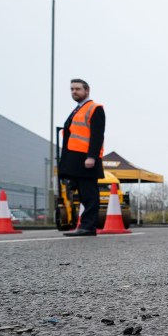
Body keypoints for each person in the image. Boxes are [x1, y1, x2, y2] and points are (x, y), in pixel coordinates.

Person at [59, 78, 106, 236]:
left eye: (77, 89)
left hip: (86, 159)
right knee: (84, 195)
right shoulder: (77, 109)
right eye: (72, 89)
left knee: (89, 194)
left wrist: (92, 156)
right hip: (75, 160)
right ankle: (86, 225)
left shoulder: (94, 108)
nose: (74, 92)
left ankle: (89, 226)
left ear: (87, 90)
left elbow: (97, 135)